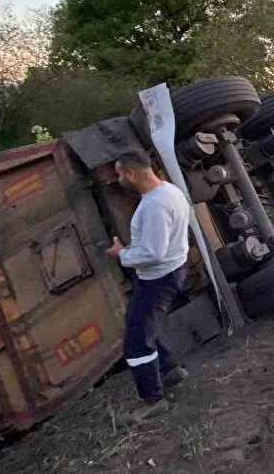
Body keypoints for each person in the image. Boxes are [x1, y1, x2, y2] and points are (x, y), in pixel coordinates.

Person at [107, 150, 192, 424]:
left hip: (159, 277)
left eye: (120, 174)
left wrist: (121, 254)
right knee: (143, 323)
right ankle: (170, 370)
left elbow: (154, 252)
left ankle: (153, 400)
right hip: (168, 272)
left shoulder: (155, 205)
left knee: (136, 341)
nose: (119, 179)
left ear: (131, 173)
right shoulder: (169, 191)